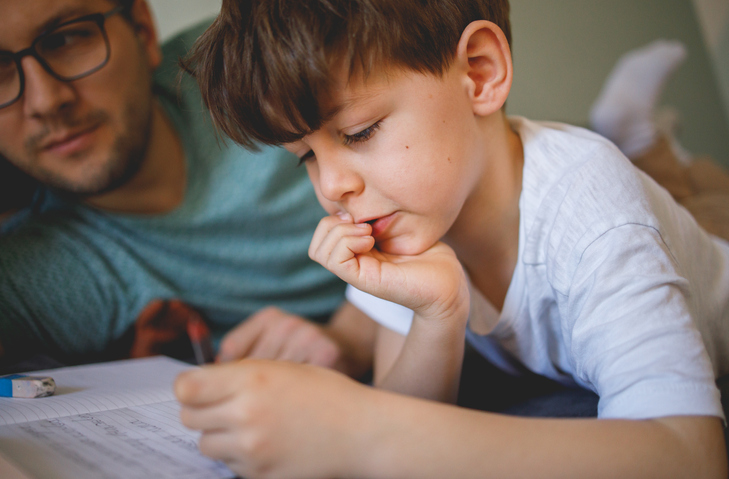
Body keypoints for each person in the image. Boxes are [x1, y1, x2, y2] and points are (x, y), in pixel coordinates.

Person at [174, 1, 729, 477]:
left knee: (704, 205)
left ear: (480, 74)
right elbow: (410, 413)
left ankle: (640, 140)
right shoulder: (404, 217)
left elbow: (691, 456)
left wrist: (360, 429)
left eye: (359, 132)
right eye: (307, 159)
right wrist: (437, 315)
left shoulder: (592, 213)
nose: (333, 186)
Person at [0, 0, 375, 379]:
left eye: (65, 39)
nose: (46, 101)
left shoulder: (262, 59)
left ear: (143, 30)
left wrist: (357, 334)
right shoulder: (26, 268)